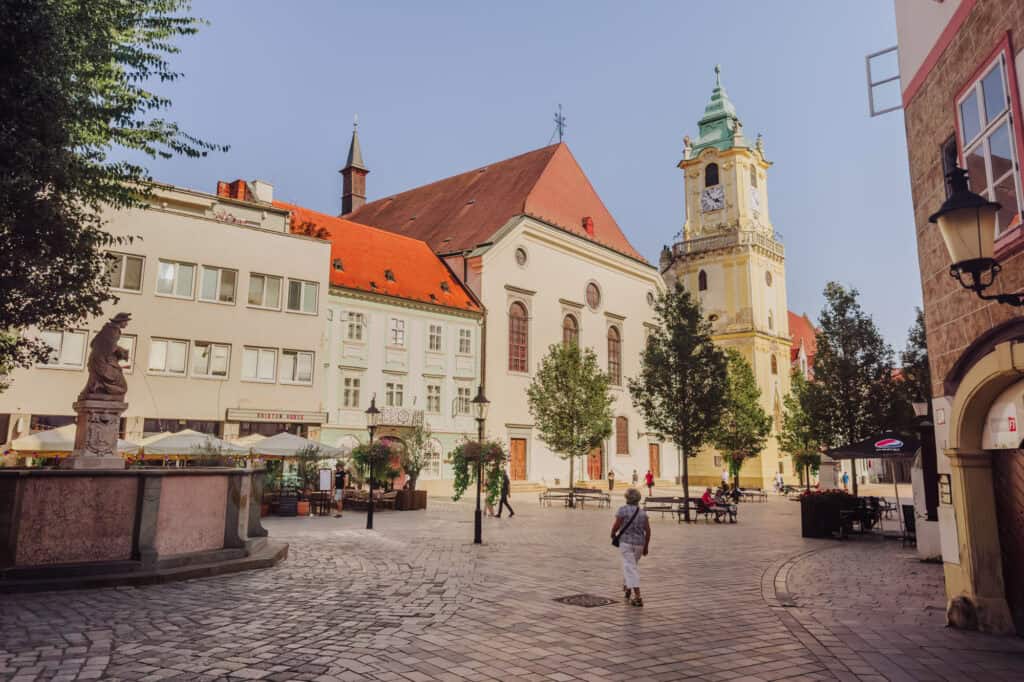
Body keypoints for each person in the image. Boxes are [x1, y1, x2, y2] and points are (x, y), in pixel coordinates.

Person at [611, 488, 650, 607]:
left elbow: (616, 525)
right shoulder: (642, 513)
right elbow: (648, 531)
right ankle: (628, 588)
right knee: (631, 566)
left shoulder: (623, 510)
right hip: (639, 544)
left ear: (627, 498)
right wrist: (646, 547)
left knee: (630, 568)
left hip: (626, 543)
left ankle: (638, 597)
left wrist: (613, 534)